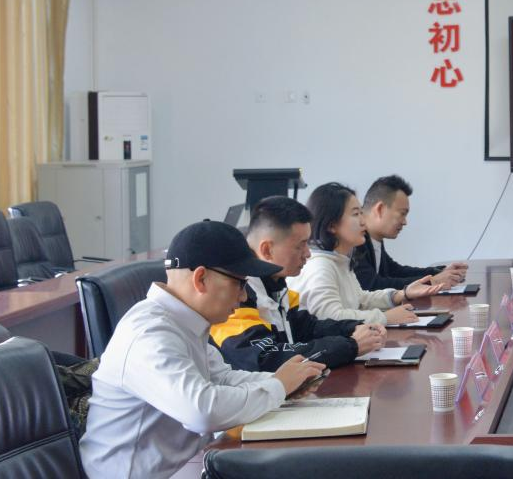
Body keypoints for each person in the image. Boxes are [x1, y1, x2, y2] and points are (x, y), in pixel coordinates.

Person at [80, 221, 325, 479]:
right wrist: (278, 387)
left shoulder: (184, 322)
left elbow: (222, 378)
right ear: (200, 279)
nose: (243, 297)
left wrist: (281, 381)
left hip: (187, 466)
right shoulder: (149, 333)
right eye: (239, 284)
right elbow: (202, 411)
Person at [210, 195, 387, 372]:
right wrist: (351, 345)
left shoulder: (276, 283)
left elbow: (306, 328)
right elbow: (266, 358)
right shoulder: (236, 293)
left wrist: (354, 327)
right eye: (300, 245)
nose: (308, 254)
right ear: (267, 250)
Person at [290, 182, 442, 326]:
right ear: (332, 225)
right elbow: (331, 317)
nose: (363, 221)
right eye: (356, 214)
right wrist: (385, 317)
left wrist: (401, 294)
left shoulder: (339, 259)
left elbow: (361, 299)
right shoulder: (320, 266)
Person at [352, 174, 468, 292]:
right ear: (380, 209)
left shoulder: (373, 238)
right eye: (402, 213)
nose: (405, 222)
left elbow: (395, 271)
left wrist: (438, 272)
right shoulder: (354, 240)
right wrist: (433, 281)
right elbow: (372, 285)